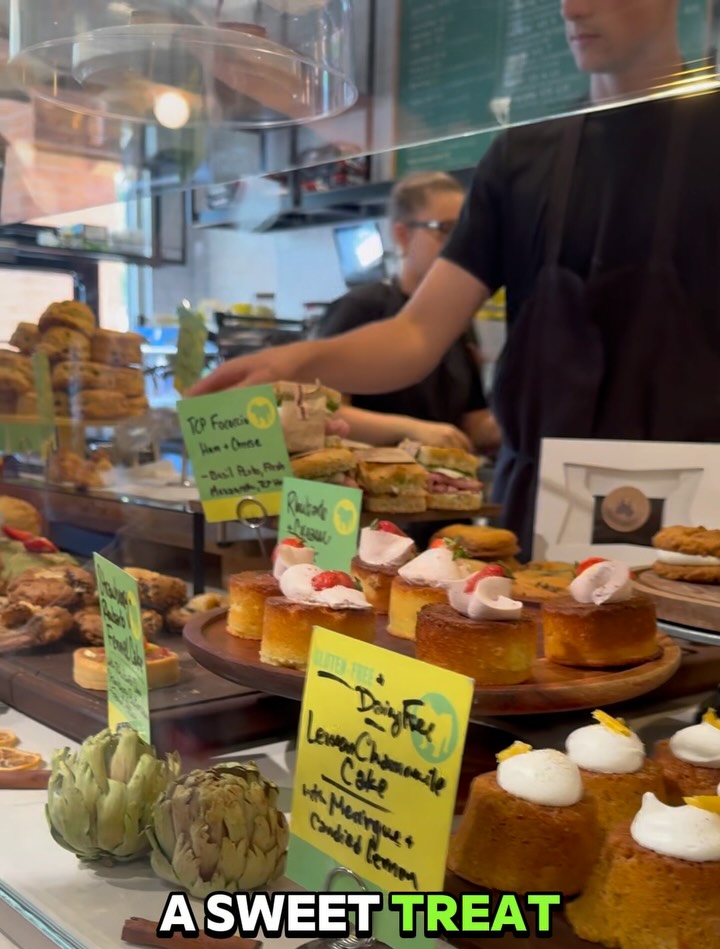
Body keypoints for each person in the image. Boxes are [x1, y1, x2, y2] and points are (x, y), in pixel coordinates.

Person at [190, 0, 720, 558]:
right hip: (547, 506)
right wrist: (298, 361)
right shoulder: (522, 157)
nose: (573, 8)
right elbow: (418, 333)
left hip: (702, 507)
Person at [318, 172, 500, 454]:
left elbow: (471, 421)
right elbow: (323, 412)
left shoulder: (457, 320)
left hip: (443, 488)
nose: (462, 246)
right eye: (446, 229)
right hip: (369, 489)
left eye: (466, 233)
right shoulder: (361, 308)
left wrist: (514, 425)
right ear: (402, 235)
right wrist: (410, 429)